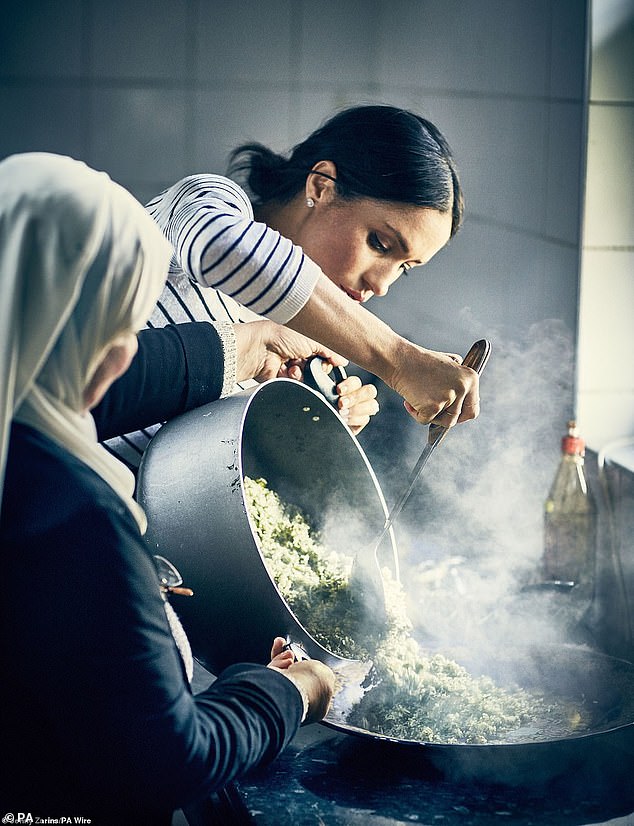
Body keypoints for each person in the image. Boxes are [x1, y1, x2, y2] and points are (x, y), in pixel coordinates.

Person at [0, 152, 336, 824]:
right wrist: (285, 691)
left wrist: (234, 350)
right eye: (120, 324)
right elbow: (168, 762)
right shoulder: (73, 519)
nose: (130, 349)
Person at [106, 104, 480, 470]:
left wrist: (301, 432)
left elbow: (199, 472)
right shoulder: (208, 200)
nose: (381, 285)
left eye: (405, 268)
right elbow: (217, 247)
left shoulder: (302, 351)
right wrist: (398, 360)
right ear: (321, 186)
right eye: (379, 244)